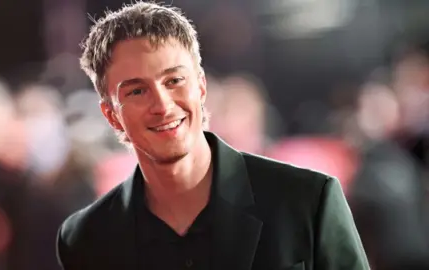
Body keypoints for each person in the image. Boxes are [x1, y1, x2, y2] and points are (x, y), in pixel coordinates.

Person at [56, 2, 369, 270]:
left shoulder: (307, 201)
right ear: (111, 115)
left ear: (201, 87)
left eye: (174, 80)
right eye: (137, 91)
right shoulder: (86, 237)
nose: (163, 106)